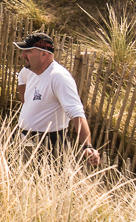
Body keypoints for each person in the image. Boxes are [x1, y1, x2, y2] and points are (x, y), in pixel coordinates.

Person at [14, 31, 101, 167]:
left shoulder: (59, 77)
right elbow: (21, 80)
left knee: (45, 179)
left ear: (44, 54)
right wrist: (28, 107)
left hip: (49, 145)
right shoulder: (28, 71)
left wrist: (87, 146)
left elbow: (76, 112)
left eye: (28, 51)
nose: (23, 55)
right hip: (24, 138)